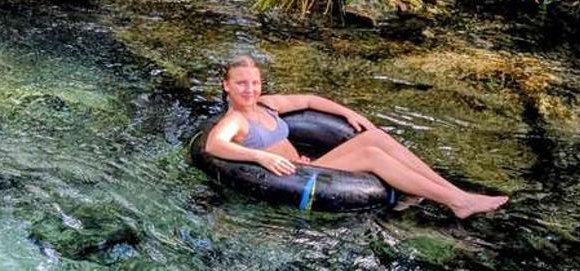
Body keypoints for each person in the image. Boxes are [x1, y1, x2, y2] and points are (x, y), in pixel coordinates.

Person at [203, 55, 508, 219]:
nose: (250, 89)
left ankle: (452, 192)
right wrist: (261, 155)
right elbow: (214, 144)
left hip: (311, 164)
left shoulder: (267, 105)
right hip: (299, 175)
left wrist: (350, 114)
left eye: (254, 82)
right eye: (241, 84)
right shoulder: (235, 120)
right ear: (226, 86)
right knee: (372, 155)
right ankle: (456, 201)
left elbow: (309, 100)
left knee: (376, 137)